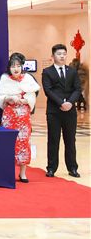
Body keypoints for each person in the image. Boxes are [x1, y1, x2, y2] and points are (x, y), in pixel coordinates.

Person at [0, 53, 40, 183]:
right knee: (9, 142)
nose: (16, 69)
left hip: (24, 116)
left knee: (23, 142)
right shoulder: (4, 79)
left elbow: (32, 95)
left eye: (18, 66)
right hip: (10, 115)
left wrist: (26, 100)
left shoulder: (28, 78)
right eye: (13, 66)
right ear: (9, 68)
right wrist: (8, 98)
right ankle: (8, 172)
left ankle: (23, 173)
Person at [42, 44, 81, 178]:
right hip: (54, 111)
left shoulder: (72, 71)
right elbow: (48, 90)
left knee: (70, 140)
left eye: (64, 54)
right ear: (52, 56)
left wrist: (70, 102)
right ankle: (51, 168)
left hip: (70, 111)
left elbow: (77, 89)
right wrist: (61, 103)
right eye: (59, 54)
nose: (62, 56)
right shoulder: (47, 72)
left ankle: (72, 168)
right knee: (53, 140)